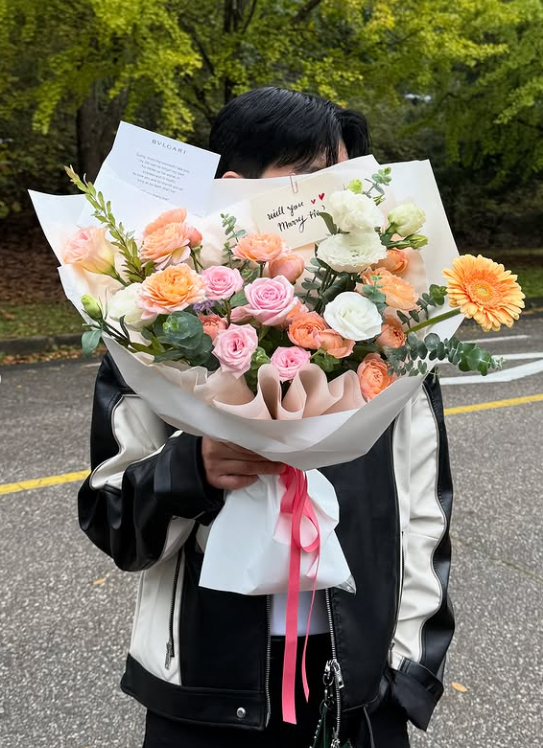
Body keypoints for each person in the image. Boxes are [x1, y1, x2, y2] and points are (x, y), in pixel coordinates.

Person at [78, 87, 454, 747]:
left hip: (357, 690)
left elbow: (423, 512)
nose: (335, 202)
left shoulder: (389, 335)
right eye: (311, 179)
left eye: (348, 182)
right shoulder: (153, 334)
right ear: (234, 189)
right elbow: (114, 523)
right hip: (204, 693)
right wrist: (191, 469)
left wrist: (407, 677)